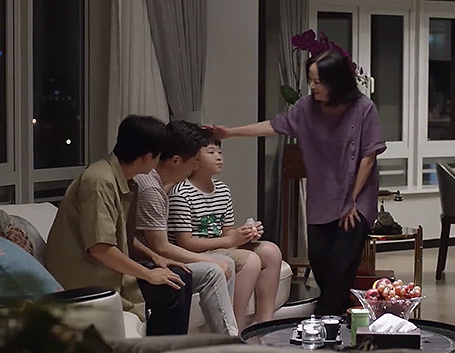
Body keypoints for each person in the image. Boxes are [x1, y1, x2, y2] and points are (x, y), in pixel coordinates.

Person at [209, 50, 386, 316]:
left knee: (340, 267)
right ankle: (338, 322)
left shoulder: (363, 108)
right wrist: (230, 133)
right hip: (322, 199)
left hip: (355, 202)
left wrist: (352, 200)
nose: (312, 86)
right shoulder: (306, 108)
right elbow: (273, 125)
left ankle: (325, 323)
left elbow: (368, 156)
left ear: (336, 81)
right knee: (320, 261)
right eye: (310, 80)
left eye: (318, 81)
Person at [46, 115, 194, 336]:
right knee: (171, 288)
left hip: (106, 270)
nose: (157, 164)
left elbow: (119, 235)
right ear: (146, 157)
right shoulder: (99, 181)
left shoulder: (121, 180)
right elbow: (100, 247)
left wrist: (155, 257)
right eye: (158, 157)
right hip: (85, 280)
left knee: (180, 276)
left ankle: (167, 351)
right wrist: (148, 274)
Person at [133, 120, 239, 336]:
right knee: (213, 270)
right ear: (175, 160)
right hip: (146, 265)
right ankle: (230, 340)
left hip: (154, 258)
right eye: (194, 162)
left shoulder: (161, 183)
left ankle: (222, 336)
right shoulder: (151, 189)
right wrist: (209, 260)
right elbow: (162, 248)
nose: (195, 168)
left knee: (225, 263)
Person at [168, 138, 281, 329]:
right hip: (196, 252)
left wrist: (245, 234)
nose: (219, 157)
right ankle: (236, 325)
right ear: (194, 159)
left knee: (271, 251)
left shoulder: (222, 190)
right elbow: (185, 242)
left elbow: (227, 231)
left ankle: (264, 321)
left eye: (220, 152)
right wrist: (229, 240)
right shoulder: (182, 193)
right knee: (251, 260)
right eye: (211, 152)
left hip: (220, 246)